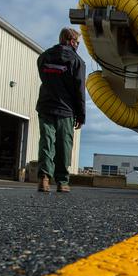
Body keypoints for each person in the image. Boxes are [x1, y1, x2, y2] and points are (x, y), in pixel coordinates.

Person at [36, 27, 85, 193]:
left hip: (46, 106)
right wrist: (81, 115)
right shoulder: (77, 61)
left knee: (46, 142)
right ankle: (62, 182)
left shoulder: (44, 57)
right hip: (66, 109)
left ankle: (44, 179)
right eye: (77, 42)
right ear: (71, 41)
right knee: (64, 145)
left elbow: (44, 77)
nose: (78, 45)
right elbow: (79, 91)